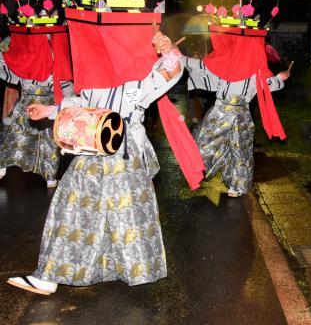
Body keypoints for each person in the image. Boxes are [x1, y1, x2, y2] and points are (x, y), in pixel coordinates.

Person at [6, 32, 182, 295]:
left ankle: (131, 267)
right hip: (91, 150)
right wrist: (49, 111)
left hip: (123, 153)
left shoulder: (140, 79)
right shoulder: (94, 74)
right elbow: (81, 104)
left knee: (125, 213)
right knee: (72, 205)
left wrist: (167, 50)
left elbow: (171, 73)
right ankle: (50, 275)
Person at [181, 33, 291, 197]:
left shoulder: (257, 72)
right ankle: (198, 170)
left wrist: (280, 77)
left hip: (242, 115)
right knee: (204, 143)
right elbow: (200, 66)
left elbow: (270, 84)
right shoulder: (225, 65)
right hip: (220, 112)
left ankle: (237, 185)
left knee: (241, 150)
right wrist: (176, 56)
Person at [0, 41, 73, 188]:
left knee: (16, 134)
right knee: (48, 141)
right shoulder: (54, 52)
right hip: (48, 105)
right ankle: (50, 178)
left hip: (33, 103)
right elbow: (65, 83)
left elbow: (11, 69)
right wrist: (71, 100)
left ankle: (2, 167)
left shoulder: (29, 55)